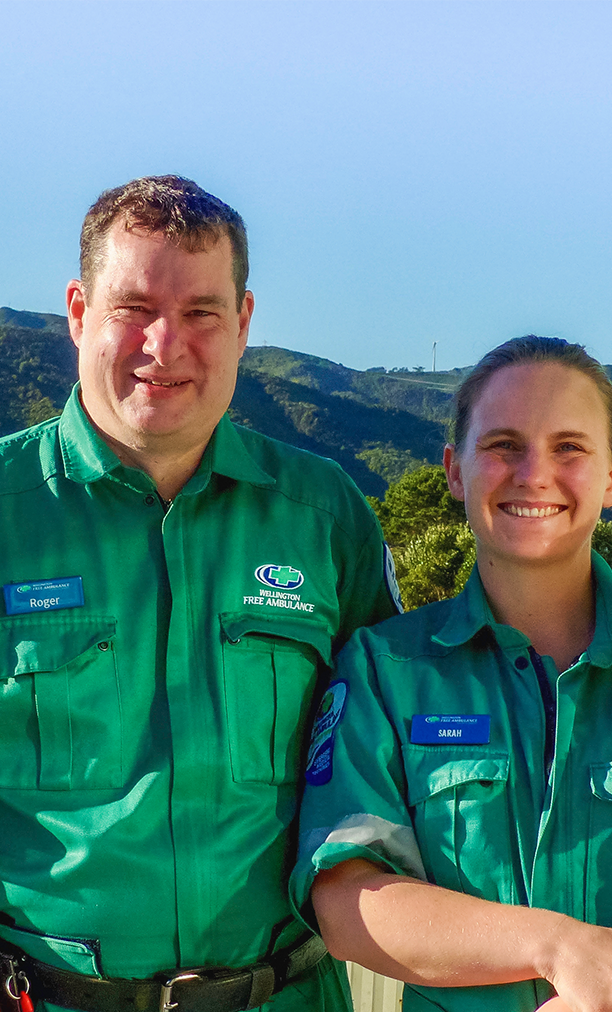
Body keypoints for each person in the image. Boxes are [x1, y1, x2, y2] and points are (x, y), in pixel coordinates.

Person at [0, 175, 399, 1012]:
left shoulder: (326, 516)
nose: (164, 344)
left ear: (244, 323)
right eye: (133, 307)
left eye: (201, 314)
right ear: (78, 312)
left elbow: (387, 765)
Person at [291, 335, 612, 1012]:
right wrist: (559, 948)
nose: (534, 474)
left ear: (610, 476)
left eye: (569, 448)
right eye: (503, 446)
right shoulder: (386, 669)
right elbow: (348, 899)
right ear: (455, 471)